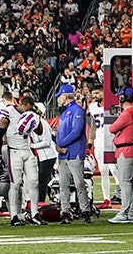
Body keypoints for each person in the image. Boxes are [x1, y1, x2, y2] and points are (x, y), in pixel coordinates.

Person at [0, 92, 44, 226]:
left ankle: (35, 213)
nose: (28, 112)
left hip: (27, 150)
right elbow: (0, 132)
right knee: (16, 184)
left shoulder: (32, 115)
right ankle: (14, 216)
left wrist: (37, 118)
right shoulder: (9, 112)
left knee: (34, 182)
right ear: (23, 105)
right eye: (28, 109)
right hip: (14, 151)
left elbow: (40, 132)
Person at [54, 84, 92, 224]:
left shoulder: (77, 111)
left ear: (65, 96)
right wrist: (59, 144)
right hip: (66, 152)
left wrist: (61, 144)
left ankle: (85, 210)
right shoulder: (68, 111)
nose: (59, 98)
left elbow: (76, 131)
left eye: (60, 96)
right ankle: (66, 211)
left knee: (79, 183)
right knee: (64, 184)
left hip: (73, 151)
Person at [108, 86, 133, 224]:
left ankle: (124, 212)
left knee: (125, 182)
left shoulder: (127, 113)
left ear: (122, 98)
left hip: (125, 150)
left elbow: (112, 128)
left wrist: (118, 134)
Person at [88, 89, 116, 207]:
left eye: (97, 93)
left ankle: (122, 194)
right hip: (99, 139)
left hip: (111, 138)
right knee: (103, 170)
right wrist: (90, 141)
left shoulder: (112, 105)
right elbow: (93, 124)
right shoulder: (93, 107)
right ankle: (107, 199)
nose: (94, 95)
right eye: (93, 93)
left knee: (114, 168)